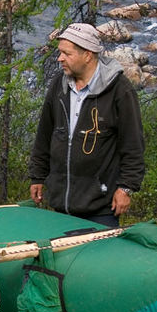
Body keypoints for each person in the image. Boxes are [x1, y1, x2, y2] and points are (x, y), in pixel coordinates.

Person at [28, 23, 145, 228]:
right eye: (60, 52)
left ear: (88, 55)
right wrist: (37, 176)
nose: (60, 58)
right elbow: (44, 135)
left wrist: (126, 188)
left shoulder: (119, 91)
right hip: (60, 205)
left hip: (100, 208)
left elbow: (133, 146)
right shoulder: (59, 85)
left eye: (67, 53)